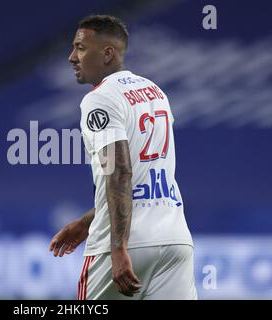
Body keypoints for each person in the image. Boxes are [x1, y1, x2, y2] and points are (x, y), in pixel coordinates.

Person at [49, 14, 197, 300]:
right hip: (175, 240)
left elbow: (120, 173)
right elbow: (140, 179)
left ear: (107, 54)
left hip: (125, 245)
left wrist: (118, 249)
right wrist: (87, 221)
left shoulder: (99, 99)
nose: (71, 57)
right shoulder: (155, 92)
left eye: (80, 47)